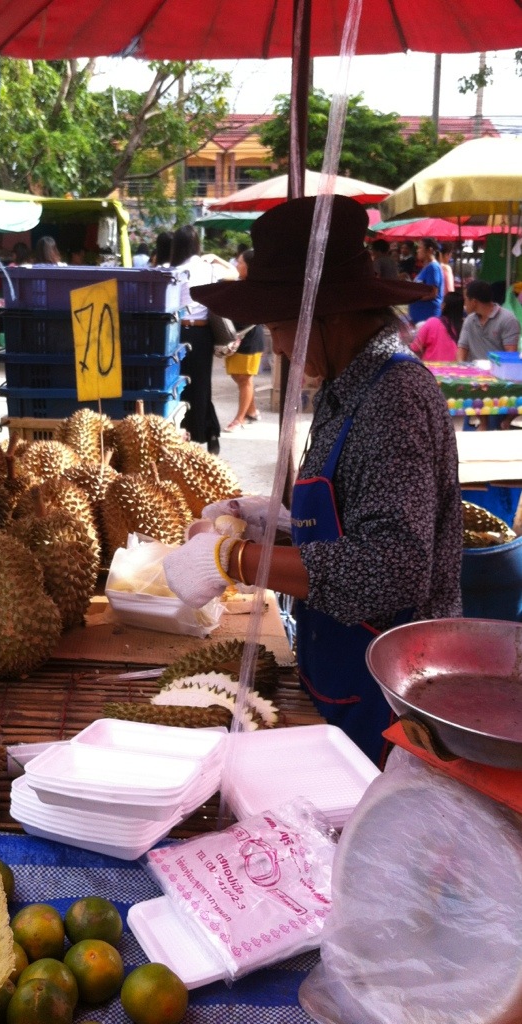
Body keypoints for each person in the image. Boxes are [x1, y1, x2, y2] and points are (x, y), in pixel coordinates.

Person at [163, 196, 463, 767]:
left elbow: (390, 568)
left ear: (326, 316)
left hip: (394, 702)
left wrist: (236, 558)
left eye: (279, 327)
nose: (276, 345)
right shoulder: (347, 384)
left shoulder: (394, 398)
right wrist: (275, 525)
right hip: (341, 673)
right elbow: (349, 522)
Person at [170, 225, 237, 456]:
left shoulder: (172, 270)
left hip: (176, 333)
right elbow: (235, 274)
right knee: (201, 386)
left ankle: (193, 435)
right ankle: (209, 433)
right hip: (201, 334)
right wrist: (217, 258)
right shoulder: (208, 268)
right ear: (197, 245)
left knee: (180, 386)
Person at [222, 248, 265, 431]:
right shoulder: (238, 284)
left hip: (250, 337)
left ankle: (239, 419)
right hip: (235, 337)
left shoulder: (258, 287)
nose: (236, 265)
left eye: (240, 262)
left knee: (244, 379)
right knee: (237, 376)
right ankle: (252, 412)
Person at [457, 278, 521, 361]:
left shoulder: (507, 319)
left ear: (474, 302)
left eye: (465, 299)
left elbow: (510, 354)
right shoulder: (469, 320)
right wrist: (461, 366)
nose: (464, 304)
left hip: (498, 370)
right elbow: (462, 348)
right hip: (473, 371)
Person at [410, 289, 464, 362]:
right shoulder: (465, 326)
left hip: (431, 369)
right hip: (457, 370)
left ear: (444, 306)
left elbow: (415, 347)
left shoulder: (432, 322)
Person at [408, 237, 443, 327]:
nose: (417, 251)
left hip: (427, 317)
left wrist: (413, 298)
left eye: (420, 248)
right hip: (419, 318)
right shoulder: (426, 267)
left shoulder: (433, 267)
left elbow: (433, 293)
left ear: (430, 250)